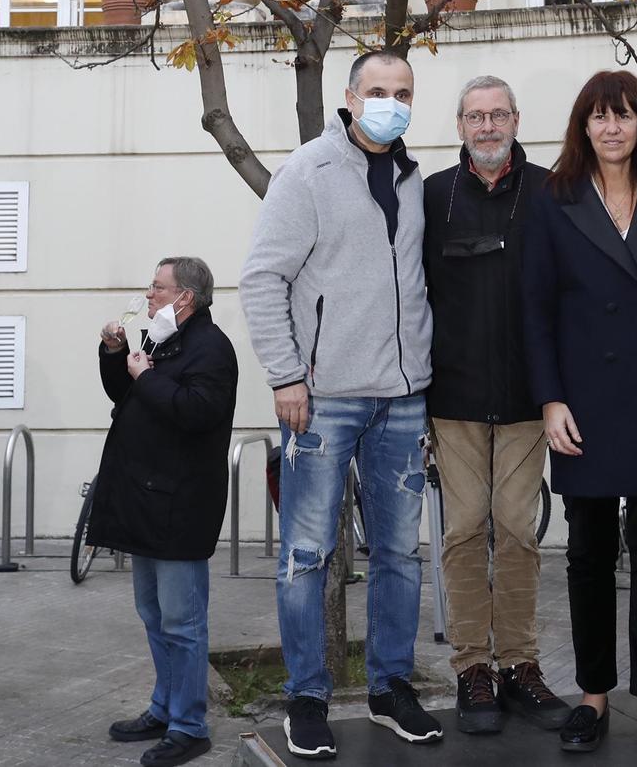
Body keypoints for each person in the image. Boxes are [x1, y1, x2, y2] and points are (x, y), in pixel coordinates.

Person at [240, 50, 442, 759]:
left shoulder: (417, 179)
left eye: (403, 92)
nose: (392, 101)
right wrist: (287, 374)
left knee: (399, 554)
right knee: (305, 553)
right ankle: (307, 696)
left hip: (403, 399)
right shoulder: (308, 171)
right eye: (379, 90)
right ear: (350, 97)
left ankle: (391, 687)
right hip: (320, 399)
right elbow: (263, 277)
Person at [522, 69, 637, 757]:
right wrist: (551, 397)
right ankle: (592, 695)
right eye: (599, 116)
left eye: (624, 115)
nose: (612, 127)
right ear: (583, 126)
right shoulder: (552, 199)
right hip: (582, 404)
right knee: (588, 553)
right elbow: (534, 308)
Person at [422, 75, 570, 736]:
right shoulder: (431, 197)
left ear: (516, 118)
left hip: (523, 398)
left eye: (498, 114)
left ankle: (520, 664)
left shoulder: (551, 191)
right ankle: (471, 667)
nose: (487, 126)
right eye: (475, 116)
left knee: (515, 528)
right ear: (459, 125)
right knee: (462, 530)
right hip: (450, 397)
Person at [93, 257, 239, 767]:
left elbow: (197, 413)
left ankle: (189, 725)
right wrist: (116, 356)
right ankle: (164, 706)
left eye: (158, 287)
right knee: (154, 616)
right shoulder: (161, 338)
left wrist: (144, 377)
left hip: (181, 507)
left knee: (183, 622)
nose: (149, 294)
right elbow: (128, 396)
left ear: (186, 298)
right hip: (145, 502)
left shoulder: (211, 348)